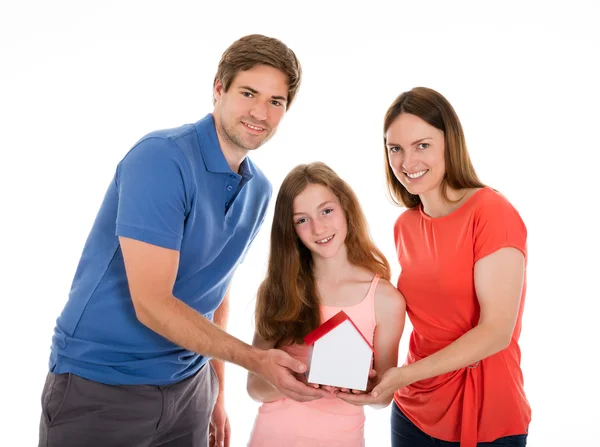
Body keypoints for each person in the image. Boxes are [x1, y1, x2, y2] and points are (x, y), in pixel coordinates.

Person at [38, 34, 327, 447]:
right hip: (101, 386)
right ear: (218, 89)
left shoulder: (259, 189)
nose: (260, 112)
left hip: (190, 390)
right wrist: (255, 360)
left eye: (276, 101)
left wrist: (217, 391)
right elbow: (152, 303)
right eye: (249, 93)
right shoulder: (161, 158)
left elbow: (217, 291)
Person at [338, 87, 531, 447]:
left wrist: (402, 375)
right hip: (413, 411)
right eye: (395, 149)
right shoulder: (406, 226)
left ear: (449, 143)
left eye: (422, 145)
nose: (407, 162)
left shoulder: (491, 213)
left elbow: (496, 331)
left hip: (487, 415)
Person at [246, 162, 406, 446]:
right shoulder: (277, 290)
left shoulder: (385, 300)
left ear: (346, 208)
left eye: (326, 210)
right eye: (302, 220)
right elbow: (255, 388)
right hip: (271, 437)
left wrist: (367, 388)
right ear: (291, 229)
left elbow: (384, 398)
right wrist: (297, 380)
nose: (318, 228)